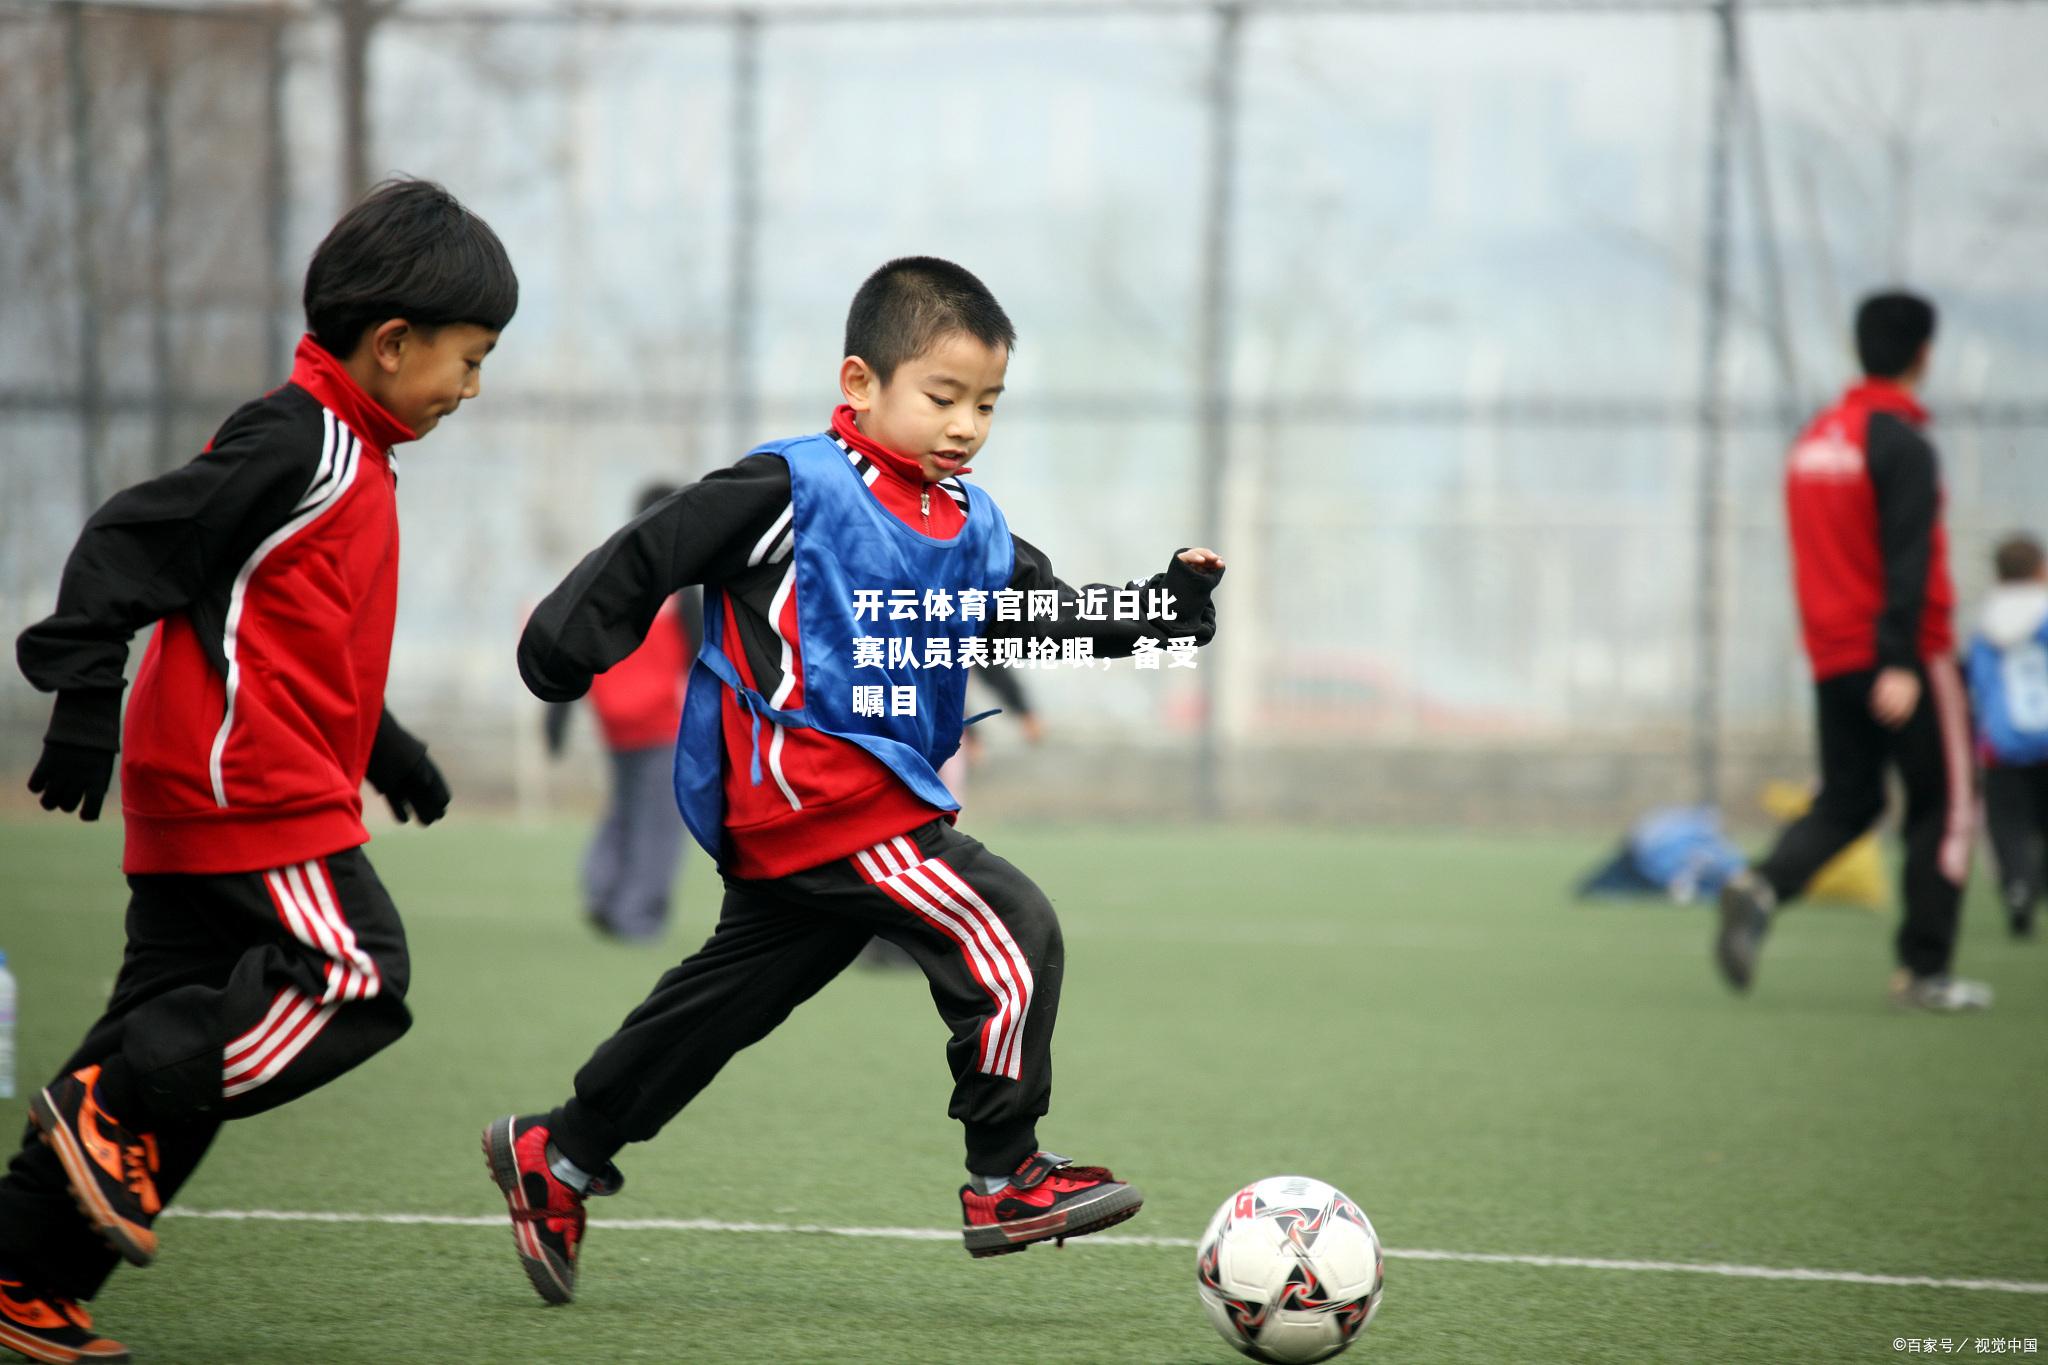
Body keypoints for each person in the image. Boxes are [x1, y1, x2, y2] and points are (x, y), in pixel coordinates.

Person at [483, 256, 1225, 1304]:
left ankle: (557, 1154)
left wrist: (1161, 613)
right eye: (942, 396)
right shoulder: (794, 487)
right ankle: (1004, 1174)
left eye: (986, 403)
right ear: (861, 383)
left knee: (721, 1006)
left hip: (831, 819)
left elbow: (1045, 613)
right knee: (1008, 927)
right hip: (815, 793)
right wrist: (566, 644)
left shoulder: (966, 524)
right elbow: (657, 549)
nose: (965, 423)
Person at [0, 179, 514, 1364]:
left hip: (229, 786)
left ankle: (26, 1274)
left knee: (163, 1035)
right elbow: (136, 540)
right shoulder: (301, 440)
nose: (472, 389)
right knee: (358, 979)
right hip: (253, 793)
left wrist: (387, 748)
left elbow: (290, 633)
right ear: (391, 344)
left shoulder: (354, 456)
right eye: (468, 359)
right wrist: (84, 691)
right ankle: (111, 1105)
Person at [1715, 289, 1990, 1011]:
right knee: (1946, 806)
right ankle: (1924, 971)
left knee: (1850, 799)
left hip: (1832, 653)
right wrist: (1901, 656)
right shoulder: (1901, 443)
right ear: (1924, 354)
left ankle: (1762, 885)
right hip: (1907, 656)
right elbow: (1907, 559)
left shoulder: (1812, 441)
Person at [544, 483, 702, 942]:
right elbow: (701, 655)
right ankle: (636, 915)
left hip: (615, 720)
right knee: (660, 823)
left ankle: (603, 889)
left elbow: (573, 644)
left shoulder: (606, 575)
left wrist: (557, 717)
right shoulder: (678, 583)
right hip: (664, 721)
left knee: (626, 811)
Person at [1965, 532, 2048, 940]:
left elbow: (1978, 684)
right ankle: (2037, 882)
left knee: (2009, 827)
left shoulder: (1986, 624)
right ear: (2040, 570)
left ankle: (2018, 885)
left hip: (2004, 744)